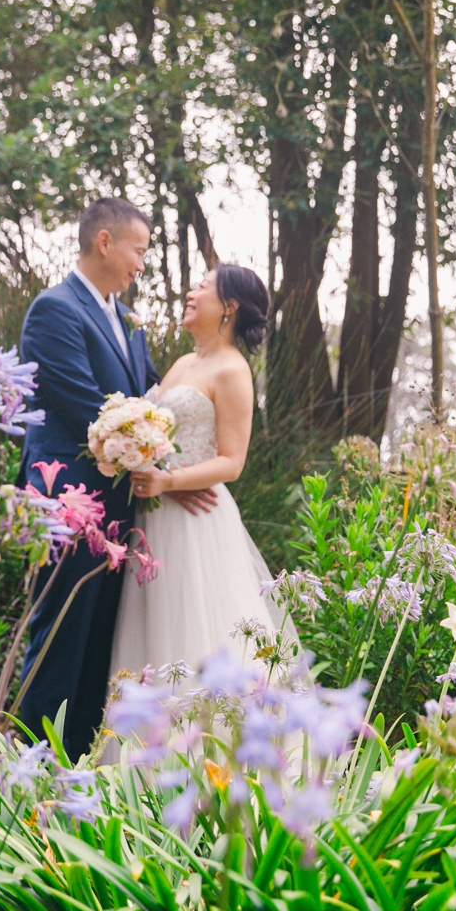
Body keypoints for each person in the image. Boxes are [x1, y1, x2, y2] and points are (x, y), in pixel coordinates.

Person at [16, 197, 216, 759]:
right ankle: (34, 772)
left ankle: (76, 771)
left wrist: (175, 471)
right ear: (105, 242)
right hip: (69, 504)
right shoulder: (53, 310)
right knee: (58, 640)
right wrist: (162, 467)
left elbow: (147, 400)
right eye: (139, 249)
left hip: (121, 510)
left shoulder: (126, 319)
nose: (142, 263)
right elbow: (89, 410)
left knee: (98, 647)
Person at [111, 264, 285, 682]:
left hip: (196, 520)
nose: (191, 293)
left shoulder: (232, 370)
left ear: (229, 306)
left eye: (202, 288)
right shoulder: (185, 362)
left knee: (196, 628)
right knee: (153, 631)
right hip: (156, 512)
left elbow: (232, 461)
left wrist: (169, 481)